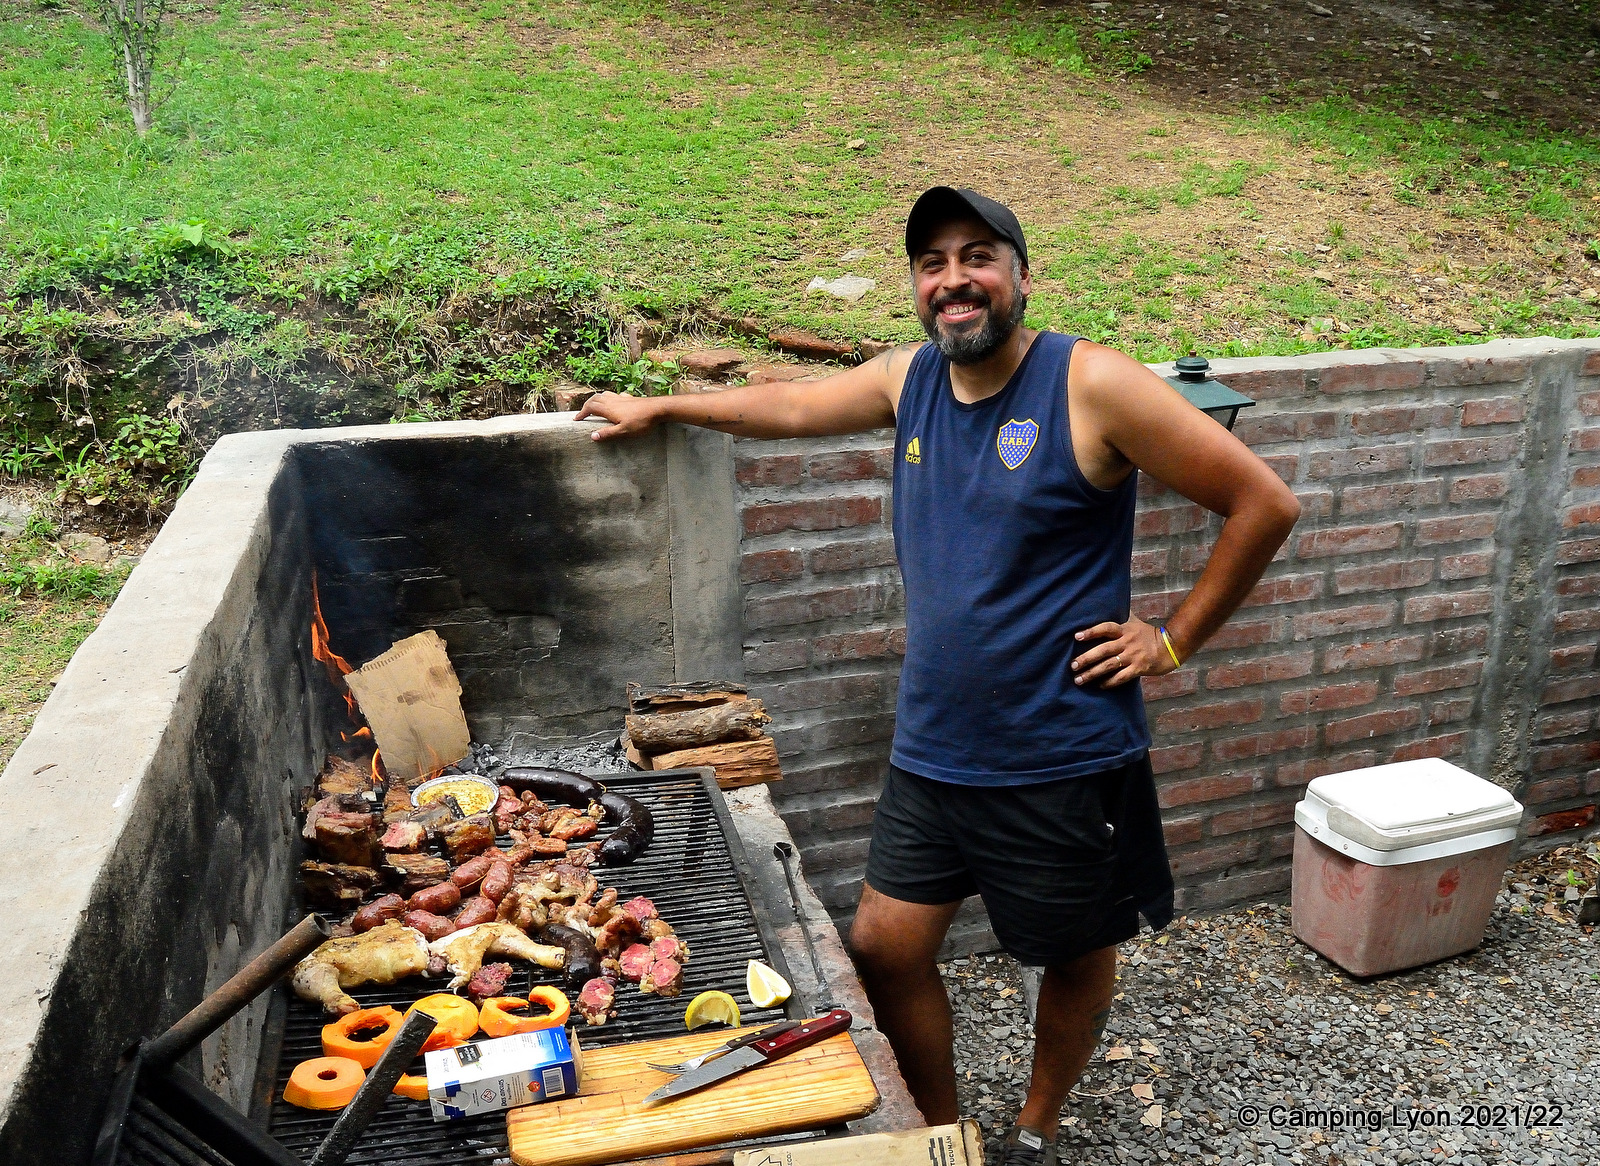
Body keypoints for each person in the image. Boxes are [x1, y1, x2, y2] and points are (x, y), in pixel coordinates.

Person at [576, 187, 1300, 1164]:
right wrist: (664, 403)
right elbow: (788, 405)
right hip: (934, 748)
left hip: (1058, 753)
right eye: (932, 263)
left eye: (977, 256)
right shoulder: (908, 377)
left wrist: (1170, 640)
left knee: (1074, 950)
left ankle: (1037, 1124)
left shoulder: (1090, 382)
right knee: (885, 946)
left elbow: (1263, 502)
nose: (954, 279)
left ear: (1021, 276)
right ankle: (943, 1135)